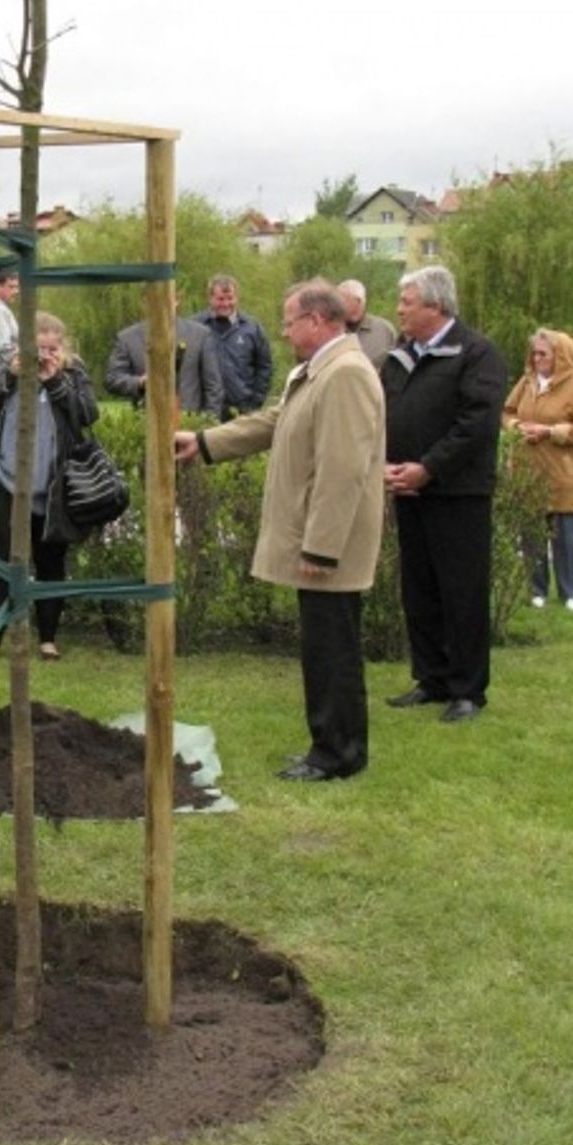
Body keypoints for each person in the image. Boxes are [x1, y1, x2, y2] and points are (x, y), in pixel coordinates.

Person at [175, 280, 385, 781]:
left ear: (317, 321)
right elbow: (275, 422)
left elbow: (342, 470)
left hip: (329, 547)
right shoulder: (322, 371)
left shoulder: (346, 374)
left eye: (290, 322)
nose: (285, 331)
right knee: (324, 647)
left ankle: (337, 755)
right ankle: (332, 747)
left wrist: (322, 547)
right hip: (321, 544)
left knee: (333, 651)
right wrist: (205, 443)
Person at [382, 265, 508, 723]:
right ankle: (431, 678)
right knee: (420, 589)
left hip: (458, 493)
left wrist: (428, 468)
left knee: (461, 591)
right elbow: (384, 411)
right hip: (408, 490)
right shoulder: (400, 355)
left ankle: (467, 689)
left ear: (436, 306)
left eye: (407, 302)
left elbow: (476, 424)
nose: (399, 310)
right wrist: (389, 463)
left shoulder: (477, 354)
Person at [0, 312, 98, 661]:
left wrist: (55, 382)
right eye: (39, 348)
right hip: (8, 481)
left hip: (53, 484)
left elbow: (87, 414)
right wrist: (10, 376)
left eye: (52, 348)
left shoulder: (72, 372)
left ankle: (48, 639)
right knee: (4, 561)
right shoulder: (6, 368)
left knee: (51, 561)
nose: (45, 356)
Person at [502, 328, 573, 613]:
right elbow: (507, 412)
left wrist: (550, 431)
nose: (537, 358)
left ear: (560, 355)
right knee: (531, 534)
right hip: (528, 471)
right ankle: (537, 590)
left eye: (543, 353)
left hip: (564, 474)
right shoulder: (527, 382)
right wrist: (518, 428)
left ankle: (571, 593)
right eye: (534, 353)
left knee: (566, 536)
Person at [105, 306, 224, 417]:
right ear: (145, 302)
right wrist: (140, 382)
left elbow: (213, 386)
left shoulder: (200, 334)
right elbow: (112, 379)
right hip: (147, 423)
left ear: (177, 300)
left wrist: (208, 423)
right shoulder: (127, 338)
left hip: (190, 424)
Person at [192, 274, 273, 419]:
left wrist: (255, 403)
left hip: (242, 410)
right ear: (210, 299)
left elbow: (264, 367)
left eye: (230, 298)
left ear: (237, 298)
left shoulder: (252, 328)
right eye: (221, 299)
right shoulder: (196, 327)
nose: (226, 304)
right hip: (205, 409)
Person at [338, 279, 396, 368]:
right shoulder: (332, 330)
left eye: (341, 302)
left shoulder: (384, 330)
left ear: (360, 301)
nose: (337, 306)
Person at [0, 257, 19, 365]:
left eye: (17, 287)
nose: (16, 291)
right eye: (11, 287)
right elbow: (2, 350)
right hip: (0, 377)